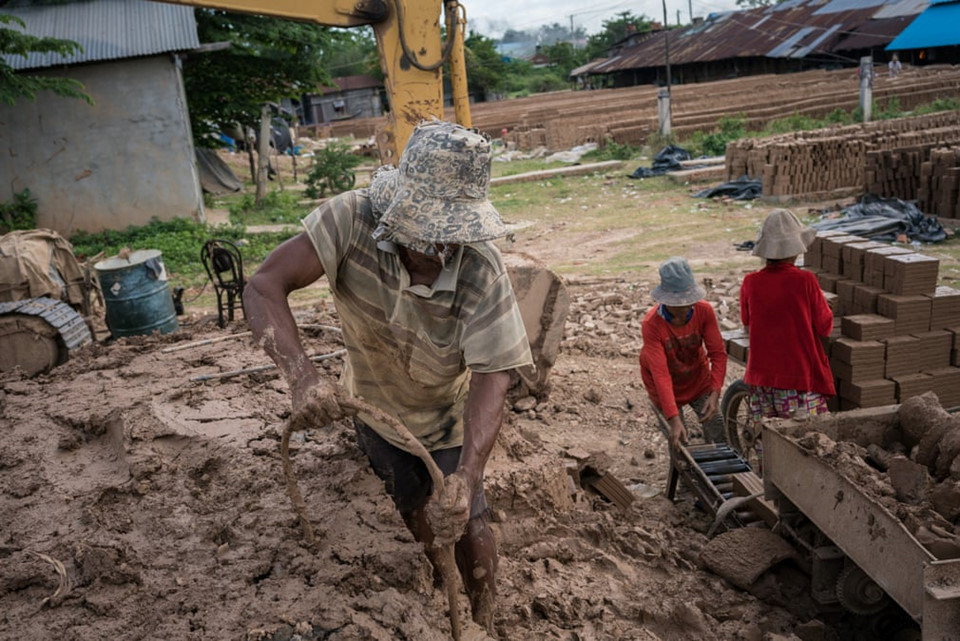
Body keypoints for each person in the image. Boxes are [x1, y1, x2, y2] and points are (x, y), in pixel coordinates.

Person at [244, 120, 533, 632]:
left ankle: (486, 618)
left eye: (452, 234)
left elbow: (493, 379)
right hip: (374, 410)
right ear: (399, 208)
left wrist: (467, 476)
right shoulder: (350, 221)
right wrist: (302, 377)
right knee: (411, 505)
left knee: (468, 523)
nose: (440, 246)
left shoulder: (481, 271)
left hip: (446, 418)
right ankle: (438, 594)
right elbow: (265, 286)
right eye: (429, 230)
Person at [740, 209, 835, 423]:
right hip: (795, 378)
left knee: (767, 436)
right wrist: (826, 308)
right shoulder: (805, 280)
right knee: (802, 439)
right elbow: (824, 326)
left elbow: (747, 321)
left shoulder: (750, 282)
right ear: (795, 249)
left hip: (761, 376)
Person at [640, 257, 727, 449]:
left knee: (717, 429)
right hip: (663, 385)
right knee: (680, 444)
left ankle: (724, 476)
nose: (684, 307)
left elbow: (718, 354)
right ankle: (683, 477)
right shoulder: (651, 325)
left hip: (697, 379)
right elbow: (660, 374)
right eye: (677, 304)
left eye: (689, 302)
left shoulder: (704, 311)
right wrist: (673, 417)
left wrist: (714, 393)